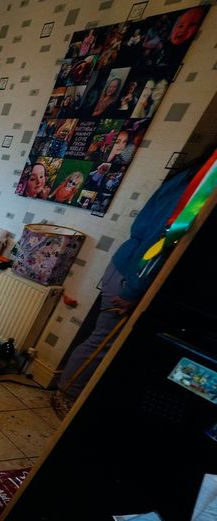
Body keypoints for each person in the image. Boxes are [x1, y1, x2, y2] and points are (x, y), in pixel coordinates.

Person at [52, 164, 198, 417]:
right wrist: (134, 290)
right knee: (103, 343)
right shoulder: (198, 186)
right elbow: (160, 241)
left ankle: (72, 391)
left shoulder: (187, 177)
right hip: (132, 274)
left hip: (129, 268)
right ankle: (66, 394)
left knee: (103, 340)